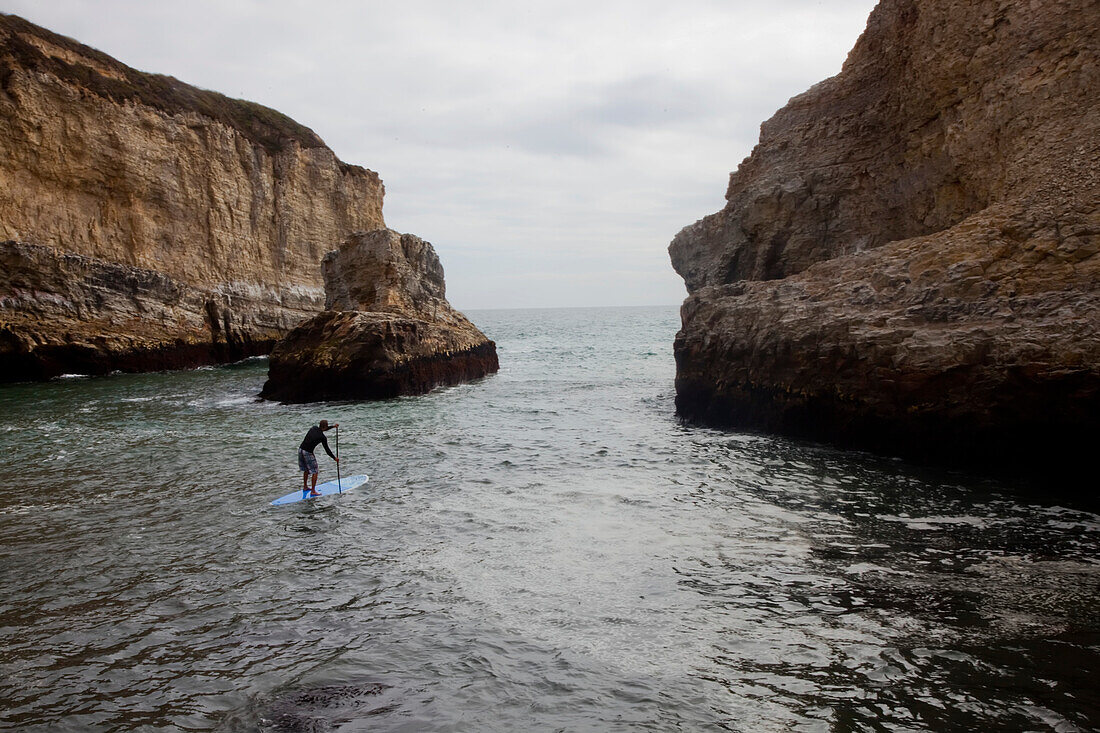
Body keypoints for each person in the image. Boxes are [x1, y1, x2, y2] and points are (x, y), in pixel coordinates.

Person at [299, 419, 339, 496]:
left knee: (306, 469)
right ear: (325, 426)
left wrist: (333, 427)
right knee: (315, 471)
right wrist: (334, 458)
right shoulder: (322, 437)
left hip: (301, 450)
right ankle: (313, 491)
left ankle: (305, 487)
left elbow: (323, 428)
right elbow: (327, 450)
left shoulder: (313, 428)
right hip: (307, 452)